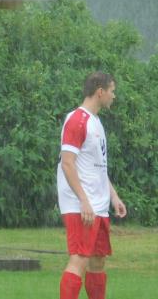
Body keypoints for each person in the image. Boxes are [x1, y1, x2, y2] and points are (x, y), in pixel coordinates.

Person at [57, 72, 127, 299]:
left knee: (98, 260)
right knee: (79, 259)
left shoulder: (96, 122)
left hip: (98, 204)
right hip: (82, 206)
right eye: (112, 91)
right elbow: (67, 163)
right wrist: (83, 201)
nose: (113, 96)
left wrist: (113, 196)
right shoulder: (77, 120)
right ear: (100, 92)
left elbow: (98, 167)